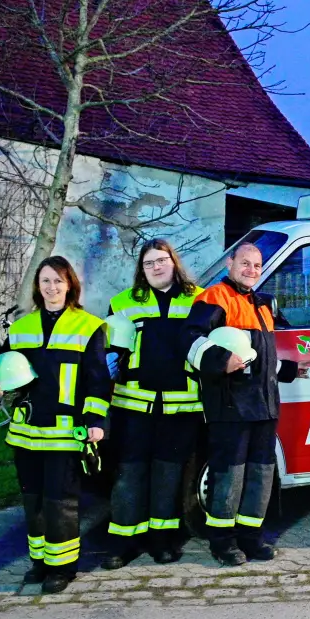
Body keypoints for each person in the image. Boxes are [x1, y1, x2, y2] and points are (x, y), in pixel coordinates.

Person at [184, 242, 302, 566]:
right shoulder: (214, 298)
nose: (251, 270)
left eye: (256, 265)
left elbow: (259, 357)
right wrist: (221, 361)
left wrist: (288, 370)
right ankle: (221, 542)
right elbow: (191, 338)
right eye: (245, 263)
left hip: (264, 404)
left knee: (261, 474)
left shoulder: (262, 305)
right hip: (231, 404)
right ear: (230, 262)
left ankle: (251, 537)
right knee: (229, 476)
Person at [4, 256, 111, 593]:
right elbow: (7, 369)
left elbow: (98, 380)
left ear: (70, 286)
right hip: (27, 429)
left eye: (58, 281)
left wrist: (95, 420)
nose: (52, 287)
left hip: (66, 430)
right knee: (32, 500)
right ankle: (39, 562)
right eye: (46, 281)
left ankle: (62, 568)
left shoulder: (89, 326)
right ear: (38, 285)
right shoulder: (20, 328)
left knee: (60, 501)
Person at [102, 239, 202, 568]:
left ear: (174, 262)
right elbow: (110, 350)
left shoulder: (198, 299)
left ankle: (162, 542)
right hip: (133, 406)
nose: (156, 267)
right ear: (141, 270)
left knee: (168, 476)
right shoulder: (123, 302)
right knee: (129, 475)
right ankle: (123, 543)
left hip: (180, 407)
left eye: (161, 261)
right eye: (148, 263)